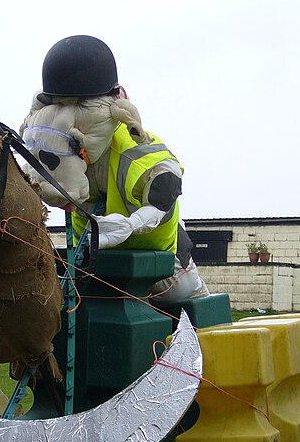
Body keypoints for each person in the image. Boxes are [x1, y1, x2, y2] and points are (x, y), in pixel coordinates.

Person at [21, 35, 209, 304]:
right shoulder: (54, 142)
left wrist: (131, 225)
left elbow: (165, 188)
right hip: (93, 265)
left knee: (192, 316)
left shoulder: (136, 150)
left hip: (163, 271)